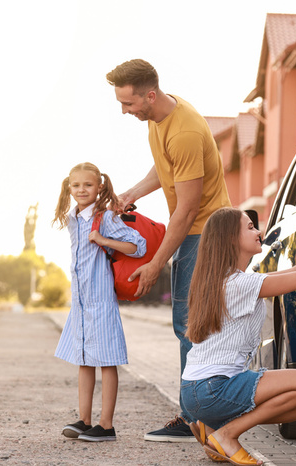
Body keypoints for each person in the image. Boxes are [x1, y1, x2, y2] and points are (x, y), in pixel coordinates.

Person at [181, 207, 296, 465]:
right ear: (231, 239)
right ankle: (227, 434)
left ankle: (213, 429)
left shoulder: (230, 281)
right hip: (212, 388)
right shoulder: (240, 284)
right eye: (249, 227)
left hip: (197, 391)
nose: (258, 232)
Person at [106, 58, 231, 442]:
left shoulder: (185, 132)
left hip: (205, 233)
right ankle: (198, 414)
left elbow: (188, 209)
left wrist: (157, 264)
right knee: (192, 325)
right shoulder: (161, 120)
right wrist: (130, 193)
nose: (125, 112)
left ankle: (196, 418)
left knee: (192, 325)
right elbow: (165, 169)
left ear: (150, 94)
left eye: (128, 104)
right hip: (195, 230)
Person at [52, 162, 147, 442]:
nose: (82, 190)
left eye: (88, 185)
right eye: (76, 185)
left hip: (101, 301)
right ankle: (84, 420)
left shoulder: (104, 218)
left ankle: (106, 425)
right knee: (83, 360)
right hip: (80, 303)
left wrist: (103, 239)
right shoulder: (72, 217)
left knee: (107, 362)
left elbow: (137, 245)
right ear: (69, 188)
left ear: (99, 187)